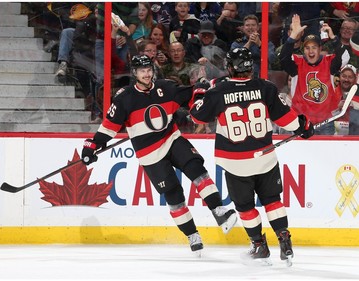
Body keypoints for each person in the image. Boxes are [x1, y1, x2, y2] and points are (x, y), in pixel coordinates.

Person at [81, 55, 238, 255]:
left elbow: (192, 94)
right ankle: (192, 235)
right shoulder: (124, 98)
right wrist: (92, 145)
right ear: (135, 73)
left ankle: (219, 211)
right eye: (142, 71)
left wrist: (204, 86)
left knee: (198, 170)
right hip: (150, 154)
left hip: (171, 139)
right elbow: (109, 127)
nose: (146, 74)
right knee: (174, 196)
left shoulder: (166, 88)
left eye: (148, 70)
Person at [189, 47, 315, 265]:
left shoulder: (219, 90)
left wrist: (199, 94)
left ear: (230, 67)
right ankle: (284, 240)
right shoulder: (265, 88)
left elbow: (197, 117)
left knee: (246, 207)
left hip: (235, 162)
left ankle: (259, 245)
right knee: (273, 200)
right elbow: (288, 120)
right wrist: (303, 126)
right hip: (265, 159)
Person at [280, 14, 350, 135]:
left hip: (325, 122)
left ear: (320, 48)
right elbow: (283, 58)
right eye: (307, 48)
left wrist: (333, 37)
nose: (311, 51)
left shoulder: (329, 63)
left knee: (326, 153)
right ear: (303, 49)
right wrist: (293, 36)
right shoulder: (297, 64)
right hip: (301, 121)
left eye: (314, 47)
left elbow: (345, 56)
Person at [230, 14, 276, 78]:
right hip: (242, 75)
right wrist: (249, 42)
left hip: (261, 76)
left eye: (253, 25)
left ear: (257, 27)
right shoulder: (237, 43)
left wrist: (260, 44)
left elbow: (272, 59)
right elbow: (235, 59)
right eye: (247, 25)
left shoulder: (267, 43)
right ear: (243, 28)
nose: (250, 28)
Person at [335, 64, 359, 135]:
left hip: (354, 134)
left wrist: (353, 105)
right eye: (344, 76)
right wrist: (336, 108)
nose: (346, 79)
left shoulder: (357, 94)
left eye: (350, 77)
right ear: (339, 77)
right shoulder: (331, 93)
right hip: (333, 133)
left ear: (355, 78)